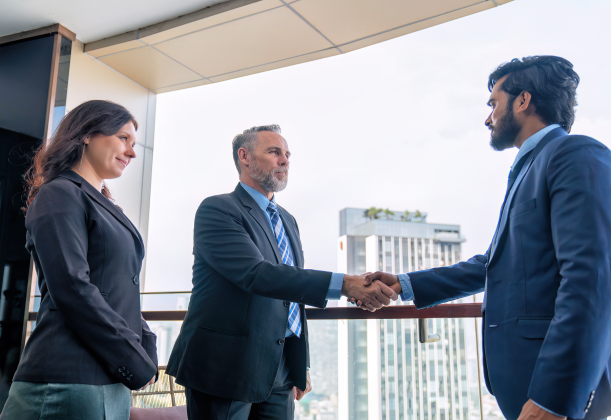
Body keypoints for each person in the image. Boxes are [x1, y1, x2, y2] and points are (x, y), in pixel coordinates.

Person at [362, 56, 611, 420]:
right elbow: (493, 264)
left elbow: (593, 281)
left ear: (523, 101)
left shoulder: (574, 155)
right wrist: (404, 283)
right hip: (523, 383)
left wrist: (554, 399)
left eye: (493, 103)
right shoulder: (528, 168)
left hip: (556, 393)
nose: (487, 117)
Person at [166, 125, 397, 420]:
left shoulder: (287, 219)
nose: (285, 161)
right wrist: (345, 284)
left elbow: (292, 293)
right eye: (274, 152)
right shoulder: (218, 209)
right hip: (225, 366)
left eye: (287, 154)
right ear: (245, 156)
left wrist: (301, 364)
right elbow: (257, 274)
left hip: (281, 367)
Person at [0, 100, 158, 420]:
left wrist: (147, 344)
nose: (132, 152)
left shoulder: (104, 205)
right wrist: (133, 357)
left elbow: (117, 288)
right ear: (87, 134)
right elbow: (72, 286)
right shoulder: (60, 193)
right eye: (123, 138)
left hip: (106, 376)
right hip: (68, 378)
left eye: (134, 143)